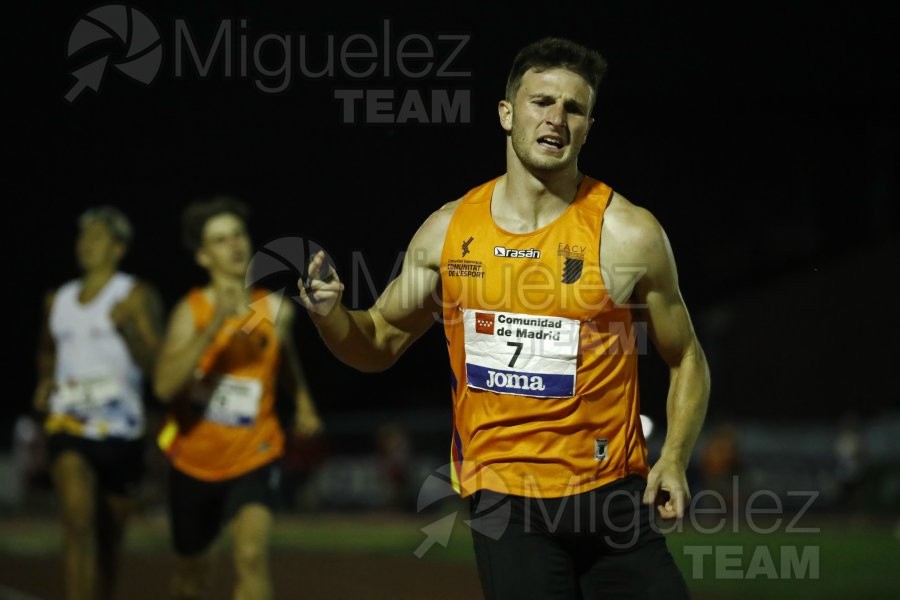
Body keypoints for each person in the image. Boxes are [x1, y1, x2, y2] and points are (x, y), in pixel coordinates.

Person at [300, 37, 710, 599]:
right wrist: (330, 317)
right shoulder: (449, 231)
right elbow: (377, 341)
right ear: (506, 113)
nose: (556, 119)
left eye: (575, 108)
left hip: (612, 496)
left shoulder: (629, 234)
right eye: (542, 102)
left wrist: (675, 458)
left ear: (590, 125)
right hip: (504, 499)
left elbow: (686, 357)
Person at [153, 195, 323, 600]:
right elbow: (163, 387)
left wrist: (302, 402)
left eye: (237, 235)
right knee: (191, 575)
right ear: (202, 256)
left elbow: (285, 362)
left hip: (255, 452)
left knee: (250, 556)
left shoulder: (274, 309)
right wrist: (214, 325)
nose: (233, 245)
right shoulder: (189, 311)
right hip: (194, 461)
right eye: (219, 240)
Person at [32, 205, 163, 600]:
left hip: (122, 432)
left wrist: (130, 329)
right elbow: (46, 351)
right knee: (76, 520)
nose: (86, 245)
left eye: (97, 238)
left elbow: (158, 368)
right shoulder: (59, 300)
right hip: (69, 424)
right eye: (82, 237)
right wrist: (43, 382)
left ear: (119, 248)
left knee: (108, 543)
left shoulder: (137, 295)